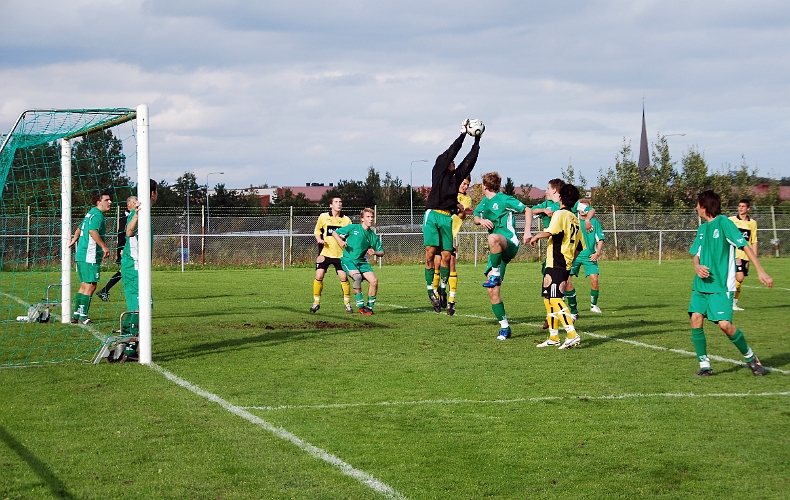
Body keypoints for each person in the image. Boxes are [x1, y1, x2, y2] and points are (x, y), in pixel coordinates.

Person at [688, 190, 771, 377]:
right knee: (695, 319)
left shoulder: (725, 223)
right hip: (701, 285)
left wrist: (760, 270)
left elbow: (745, 246)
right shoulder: (702, 229)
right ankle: (705, 365)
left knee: (725, 325)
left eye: (697, 204)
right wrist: (697, 266)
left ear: (704, 205)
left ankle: (751, 357)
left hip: (721, 286)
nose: (696, 208)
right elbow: (696, 255)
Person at [423, 120, 481, 313]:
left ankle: (442, 289)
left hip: (447, 217)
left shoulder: (456, 177)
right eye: (450, 159)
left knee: (447, 256)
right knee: (431, 253)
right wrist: (463, 134)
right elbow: (452, 151)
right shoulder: (438, 169)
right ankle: (430, 290)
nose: (453, 161)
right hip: (432, 215)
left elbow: (469, 162)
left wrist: (477, 141)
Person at [525, 178, 595, 326]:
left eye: (548, 189)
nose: (545, 192)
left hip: (563, 249)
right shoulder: (547, 204)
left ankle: (572, 313)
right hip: (553, 251)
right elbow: (530, 210)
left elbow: (590, 210)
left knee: (564, 282)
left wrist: (587, 220)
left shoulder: (569, 205)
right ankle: (553, 320)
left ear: (555, 191)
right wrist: (544, 210)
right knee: (551, 285)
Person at [529, 184, 586, 349]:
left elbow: (550, 231)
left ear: (560, 197)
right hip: (561, 262)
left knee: (555, 298)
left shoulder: (561, 214)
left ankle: (571, 334)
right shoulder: (575, 218)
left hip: (557, 261)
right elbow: (580, 247)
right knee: (548, 299)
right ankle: (553, 337)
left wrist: (535, 237)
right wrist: (569, 261)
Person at [473, 172, 528, 340]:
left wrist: (526, 232)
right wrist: (481, 221)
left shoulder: (504, 199)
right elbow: (475, 216)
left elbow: (528, 210)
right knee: (493, 291)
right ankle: (505, 327)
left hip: (509, 242)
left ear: (485, 186)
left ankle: (495, 274)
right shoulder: (484, 202)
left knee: (493, 237)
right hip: (496, 250)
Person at [120, 180, 158, 349]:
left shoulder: (145, 210)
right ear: (153, 193)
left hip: (138, 267)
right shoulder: (138, 211)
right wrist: (135, 215)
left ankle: (130, 344)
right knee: (139, 307)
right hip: (134, 267)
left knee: (144, 306)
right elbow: (129, 231)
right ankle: (128, 346)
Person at [68, 191, 112, 324]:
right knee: (91, 285)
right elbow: (92, 231)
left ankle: (76, 315)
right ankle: (83, 316)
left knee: (84, 285)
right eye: (107, 200)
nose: (110, 202)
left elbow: (79, 228)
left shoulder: (90, 213)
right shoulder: (97, 215)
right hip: (89, 255)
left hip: (82, 254)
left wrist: (74, 239)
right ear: (99, 202)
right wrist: (104, 247)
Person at [432, 175, 473, 316]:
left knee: (452, 265)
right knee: (437, 264)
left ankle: (451, 301)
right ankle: (437, 297)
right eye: (463, 183)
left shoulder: (466, 199)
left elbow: (462, 215)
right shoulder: (449, 193)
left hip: (451, 234)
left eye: (467, 184)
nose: (465, 186)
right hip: (439, 231)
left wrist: (458, 209)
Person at [332, 208, 385, 315]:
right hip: (348, 260)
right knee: (357, 277)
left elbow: (382, 252)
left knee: (374, 281)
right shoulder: (353, 228)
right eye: (368, 217)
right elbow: (334, 233)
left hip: (362, 262)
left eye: (372, 217)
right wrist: (340, 242)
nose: (370, 219)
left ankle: (369, 308)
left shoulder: (372, 235)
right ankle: (361, 307)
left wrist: (374, 252)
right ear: (362, 219)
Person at [311, 196, 353, 313]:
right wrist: (319, 239)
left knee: (343, 277)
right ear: (331, 205)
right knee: (319, 275)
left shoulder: (346, 220)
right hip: (325, 253)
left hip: (340, 255)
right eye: (336, 202)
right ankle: (316, 303)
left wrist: (347, 242)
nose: (339, 204)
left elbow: (350, 235)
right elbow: (317, 231)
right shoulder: (323, 217)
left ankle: (347, 303)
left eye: (340, 202)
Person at [97, 196, 136, 302]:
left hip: (130, 249)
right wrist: (121, 248)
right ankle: (104, 290)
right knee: (125, 271)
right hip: (125, 249)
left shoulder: (133, 215)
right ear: (129, 205)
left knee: (124, 271)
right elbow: (122, 233)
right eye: (134, 202)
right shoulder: (126, 216)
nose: (137, 204)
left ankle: (104, 290)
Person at [567, 209, 605, 313]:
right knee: (565, 280)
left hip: (589, 256)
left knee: (595, 279)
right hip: (574, 256)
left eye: (586, 208)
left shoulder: (594, 222)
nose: (583, 211)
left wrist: (597, 253)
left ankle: (593, 305)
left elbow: (600, 239)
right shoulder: (573, 220)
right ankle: (565, 304)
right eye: (581, 208)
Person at [729, 199, 758, 311]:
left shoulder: (753, 223)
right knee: (739, 277)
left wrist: (754, 256)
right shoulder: (731, 220)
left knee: (740, 280)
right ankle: (730, 302)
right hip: (735, 254)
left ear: (748, 208)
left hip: (746, 255)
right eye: (739, 206)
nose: (740, 208)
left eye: (743, 206)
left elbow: (754, 240)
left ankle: (734, 303)